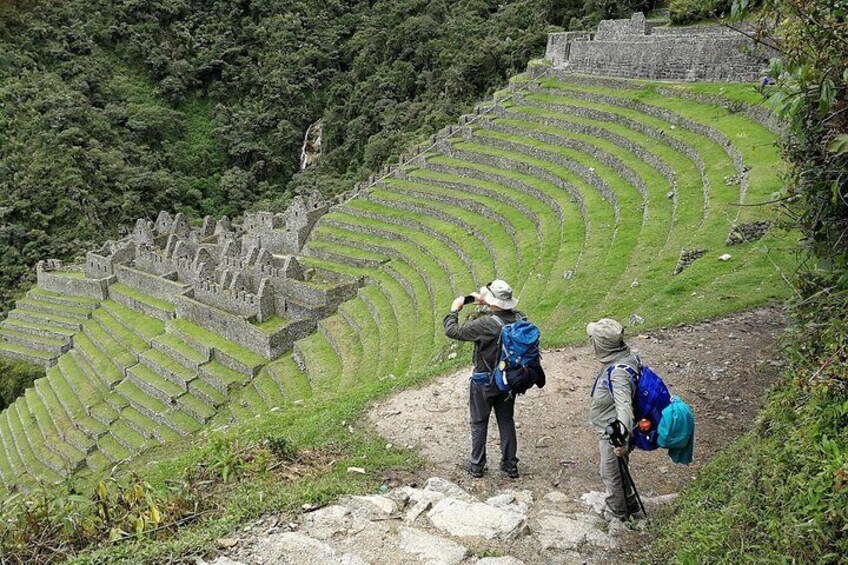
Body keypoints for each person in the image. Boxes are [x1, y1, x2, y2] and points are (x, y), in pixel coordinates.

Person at [444, 279, 523, 479]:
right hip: (508, 379)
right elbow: (502, 315)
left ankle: (477, 465)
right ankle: (510, 465)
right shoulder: (520, 319)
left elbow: (453, 331)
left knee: (479, 421)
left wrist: (454, 310)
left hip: (484, 380)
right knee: (506, 419)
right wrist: (488, 303)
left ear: (493, 301)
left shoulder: (485, 324)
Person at [587, 317, 641, 520]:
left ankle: (617, 515)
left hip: (613, 433)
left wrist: (622, 439)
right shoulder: (624, 360)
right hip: (612, 428)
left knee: (610, 472)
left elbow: (624, 408)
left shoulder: (618, 373)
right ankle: (631, 504)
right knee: (619, 469)